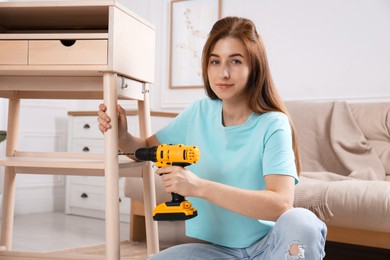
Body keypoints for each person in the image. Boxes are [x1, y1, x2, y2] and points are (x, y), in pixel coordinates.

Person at [98, 16, 327, 259]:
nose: (223, 73)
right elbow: (144, 148)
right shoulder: (199, 112)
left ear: (254, 66)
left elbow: (281, 204)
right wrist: (122, 135)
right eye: (215, 62)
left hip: (271, 247)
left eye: (235, 61)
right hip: (217, 252)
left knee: (302, 221)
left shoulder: (273, 124)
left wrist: (199, 187)